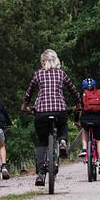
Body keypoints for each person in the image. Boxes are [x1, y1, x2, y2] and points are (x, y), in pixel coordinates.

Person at [20, 49, 81, 186]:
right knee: (62, 126)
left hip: (41, 112)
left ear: (43, 62)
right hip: (60, 110)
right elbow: (73, 91)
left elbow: (29, 93)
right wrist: (78, 104)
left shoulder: (38, 74)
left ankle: (41, 174)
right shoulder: (61, 74)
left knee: (42, 142)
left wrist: (25, 106)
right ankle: (63, 142)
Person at [76, 77, 100, 175]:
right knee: (99, 140)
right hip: (98, 120)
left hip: (85, 120)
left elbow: (77, 110)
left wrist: (76, 121)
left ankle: (84, 149)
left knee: (84, 129)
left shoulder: (82, 96)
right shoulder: (99, 95)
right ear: (95, 86)